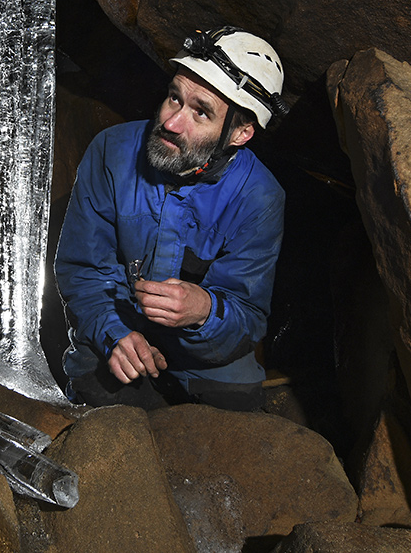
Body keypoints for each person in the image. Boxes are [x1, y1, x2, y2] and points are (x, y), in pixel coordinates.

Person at [54, 26, 288, 411]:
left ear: (241, 132)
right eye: (173, 98)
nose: (172, 122)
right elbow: (84, 269)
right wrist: (114, 334)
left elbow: (247, 316)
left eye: (201, 112)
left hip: (205, 359)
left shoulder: (259, 197)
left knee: (234, 434)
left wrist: (205, 311)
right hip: (121, 329)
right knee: (103, 416)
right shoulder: (112, 152)